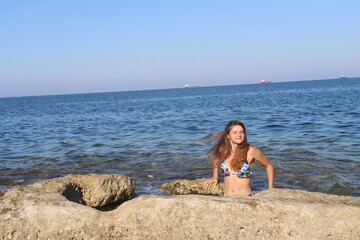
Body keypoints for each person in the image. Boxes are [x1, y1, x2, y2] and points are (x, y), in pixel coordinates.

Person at [203, 120, 274, 196]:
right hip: (225, 196)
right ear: (228, 135)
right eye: (235, 132)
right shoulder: (223, 150)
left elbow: (269, 166)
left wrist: (271, 187)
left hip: (246, 198)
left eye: (241, 132)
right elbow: (216, 160)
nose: (239, 135)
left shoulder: (251, 151)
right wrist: (215, 176)